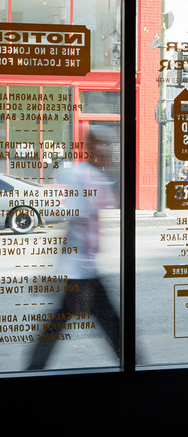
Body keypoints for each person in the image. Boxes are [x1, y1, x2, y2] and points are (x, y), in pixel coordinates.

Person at [27, 126, 120, 370]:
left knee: (61, 321)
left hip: (84, 269)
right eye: (103, 144)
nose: (109, 150)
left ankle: (33, 369)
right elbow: (71, 230)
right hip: (80, 272)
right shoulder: (83, 178)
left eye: (111, 144)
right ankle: (133, 364)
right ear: (91, 148)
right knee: (110, 324)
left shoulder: (96, 178)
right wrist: (53, 271)